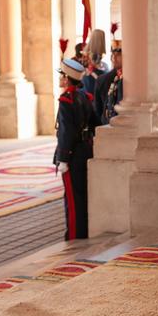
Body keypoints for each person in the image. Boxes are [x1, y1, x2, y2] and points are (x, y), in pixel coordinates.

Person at [53, 58, 99, 240]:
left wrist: (63, 158)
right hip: (85, 151)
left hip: (72, 155)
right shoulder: (84, 97)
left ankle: (74, 235)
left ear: (66, 78)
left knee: (73, 199)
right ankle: (83, 231)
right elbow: (95, 123)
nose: (60, 79)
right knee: (83, 195)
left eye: (61, 75)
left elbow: (66, 132)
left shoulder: (67, 100)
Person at [94, 38, 123, 125]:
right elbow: (98, 109)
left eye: (118, 54)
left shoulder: (134, 79)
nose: (114, 57)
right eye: (112, 54)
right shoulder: (102, 80)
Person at [81, 29, 108, 96]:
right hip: (92, 79)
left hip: (88, 79)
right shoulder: (95, 55)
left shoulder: (86, 52)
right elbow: (97, 66)